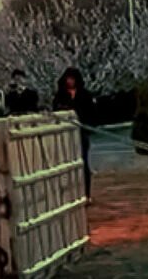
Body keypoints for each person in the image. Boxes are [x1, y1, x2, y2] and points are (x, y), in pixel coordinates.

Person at [53, 67, 95, 198]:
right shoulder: (60, 95)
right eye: (68, 78)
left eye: (72, 79)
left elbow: (91, 112)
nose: (70, 81)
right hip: (65, 134)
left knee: (83, 162)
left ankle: (86, 194)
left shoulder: (85, 94)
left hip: (81, 132)